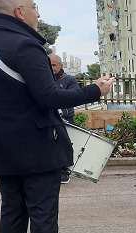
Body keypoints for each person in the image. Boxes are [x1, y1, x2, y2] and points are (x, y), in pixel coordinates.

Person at [0, 0, 113, 233]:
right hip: (36, 144)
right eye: (35, 7)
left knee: (12, 211)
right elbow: (49, 96)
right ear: (19, 11)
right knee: (42, 214)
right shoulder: (25, 45)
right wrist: (95, 90)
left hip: (3, 144)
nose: (38, 13)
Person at [49, 54, 80, 184]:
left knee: (65, 144)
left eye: (54, 65)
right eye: (48, 64)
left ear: (61, 66)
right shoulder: (42, 79)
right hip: (47, 118)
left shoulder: (70, 80)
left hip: (65, 118)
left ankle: (64, 170)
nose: (51, 67)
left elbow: (74, 95)